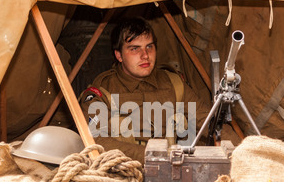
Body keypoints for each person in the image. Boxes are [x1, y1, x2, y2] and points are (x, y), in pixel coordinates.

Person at [79, 17, 209, 164]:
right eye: (135, 49)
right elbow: (96, 141)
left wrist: (238, 150)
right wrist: (155, 156)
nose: (145, 55)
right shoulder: (103, 91)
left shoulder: (174, 83)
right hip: (122, 173)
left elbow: (208, 121)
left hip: (170, 171)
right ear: (119, 55)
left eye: (149, 46)